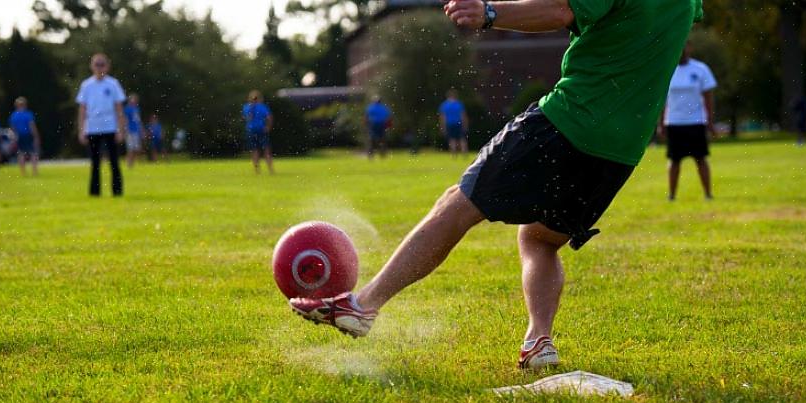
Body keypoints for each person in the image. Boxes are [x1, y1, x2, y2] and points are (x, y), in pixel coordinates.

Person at [289, 0, 704, 370]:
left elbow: (562, 9)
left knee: (458, 203)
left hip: (568, 120)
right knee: (540, 239)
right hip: (620, 152)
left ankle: (364, 306)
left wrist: (490, 13)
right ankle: (538, 338)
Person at [660, 41, 717, 200]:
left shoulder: (701, 69)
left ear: (690, 47)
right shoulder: (667, 69)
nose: (682, 49)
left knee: (701, 159)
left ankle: (708, 194)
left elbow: (709, 98)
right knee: (674, 161)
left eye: (685, 46)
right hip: (674, 123)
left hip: (696, 122)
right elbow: (662, 100)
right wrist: (661, 124)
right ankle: (671, 195)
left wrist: (710, 122)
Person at [76, 53, 126, 196]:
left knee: (114, 162)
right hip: (92, 127)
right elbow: (82, 110)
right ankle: (95, 193)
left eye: (102, 64)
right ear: (92, 66)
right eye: (97, 64)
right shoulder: (86, 85)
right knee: (95, 163)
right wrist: (81, 130)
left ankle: (117, 192)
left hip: (110, 126)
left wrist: (121, 130)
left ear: (107, 66)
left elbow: (119, 109)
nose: (99, 67)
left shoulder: (113, 84)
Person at [242, 91, 273, 174]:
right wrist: (268, 127)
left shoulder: (246, 107)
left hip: (251, 130)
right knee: (266, 149)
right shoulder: (262, 107)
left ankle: (257, 170)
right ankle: (270, 169)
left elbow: (246, 118)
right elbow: (269, 117)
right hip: (261, 129)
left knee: (254, 150)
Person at [9, 97, 41, 177]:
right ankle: (34, 172)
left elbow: (12, 128)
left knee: (21, 154)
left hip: (19, 135)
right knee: (33, 153)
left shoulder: (14, 115)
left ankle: (23, 173)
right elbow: (32, 126)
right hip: (28, 135)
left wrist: (13, 138)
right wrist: (36, 136)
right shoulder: (28, 114)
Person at [439, 89, 469, 156]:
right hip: (459, 123)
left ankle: (453, 153)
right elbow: (463, 115)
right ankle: (464, 152)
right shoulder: (459, 104)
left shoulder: (444, 105)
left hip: (449, 124)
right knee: (462, 138)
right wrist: (465, 124)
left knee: (452, 139)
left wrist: (442, 127)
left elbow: (443, 117)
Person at [123, 94, 143, 167]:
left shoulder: (137, 108)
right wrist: (125, 130)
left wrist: (141, 129)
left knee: (136, 148)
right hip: (130, 131)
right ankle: (129, 163)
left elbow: (138, 120)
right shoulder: (127, 109)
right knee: (130, 148)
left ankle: (132, 162)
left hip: (136, 131)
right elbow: (125, 120)